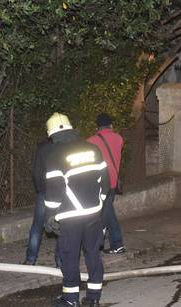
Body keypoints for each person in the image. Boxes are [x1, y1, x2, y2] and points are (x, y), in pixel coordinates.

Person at [44, 112, 109, 307]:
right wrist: (99, 203)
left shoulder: (55, 155)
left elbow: (54, 190)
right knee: (92, 254)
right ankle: (93, 298)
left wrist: (50, 215)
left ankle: (70, 299)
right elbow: (105, 182)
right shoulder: (93, 148)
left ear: (53, 135)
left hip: (70, 215)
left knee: (69, 256)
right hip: (94, 213)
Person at [87, 113, 126, 254]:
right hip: (113, 182)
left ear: (97, 126)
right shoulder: (119, 139)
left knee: (105, 213)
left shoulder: (90, 141)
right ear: (111, 125)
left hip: (98, 183)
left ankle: (109, 242)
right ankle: (113, 243)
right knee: (107, 211)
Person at [23, 137, 61, 267]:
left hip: (44, 192)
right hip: (61, 192)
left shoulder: (42, 149)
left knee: (37, 226)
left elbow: (35, 171)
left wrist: (41, 189)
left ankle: (30, 259)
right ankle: (60, 261)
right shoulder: (64, 147)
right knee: (62, 226)